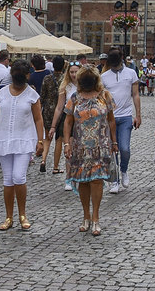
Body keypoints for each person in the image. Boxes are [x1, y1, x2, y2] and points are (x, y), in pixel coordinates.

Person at [0, 59, 45, 230]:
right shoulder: (1, 93)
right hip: (4, 139)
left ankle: (22, 214)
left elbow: (39, 119)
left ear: (27, 76)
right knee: (8, 179)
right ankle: (9, 217)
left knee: (19, 176)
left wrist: (41, 141)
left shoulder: (32, 95)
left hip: (24, 140)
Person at [62, 67, 118, 235]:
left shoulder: (105, 96)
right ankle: (85, 215)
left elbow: (111, 120)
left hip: (100, 145)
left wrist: (114, 141)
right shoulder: (75, 98)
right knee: (83, 181)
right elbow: (68, 122)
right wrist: (67, 143)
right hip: (80, 146)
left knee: (96, 181)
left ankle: (95, 217)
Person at [100, 48, 140, 193]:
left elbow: (135, 95)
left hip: (125, 116)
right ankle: (115, 180)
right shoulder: (104, 76)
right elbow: (101, 98)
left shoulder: (131, 73)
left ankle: (124, 170)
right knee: (112, 150)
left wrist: (138, 115)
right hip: (109, 118)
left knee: (124, 148)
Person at [49, 62, 81, 182]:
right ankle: (69, 176)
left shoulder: (85, 85)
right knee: (69, 147)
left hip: (82, 119)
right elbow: (59, 107)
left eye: (76, 72)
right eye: (71, 72)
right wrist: (53, 126)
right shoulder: (65, 87)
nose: (73, 74)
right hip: (68, 118)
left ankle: (78, 172)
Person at [38, 57, 63, 174]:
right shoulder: (65, 79)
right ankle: (56, 166)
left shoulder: (47, 78)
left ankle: (43, 160)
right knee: (59, 139)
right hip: (61, 111)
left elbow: (42, 96)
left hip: (48, 110)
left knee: (47, 138)